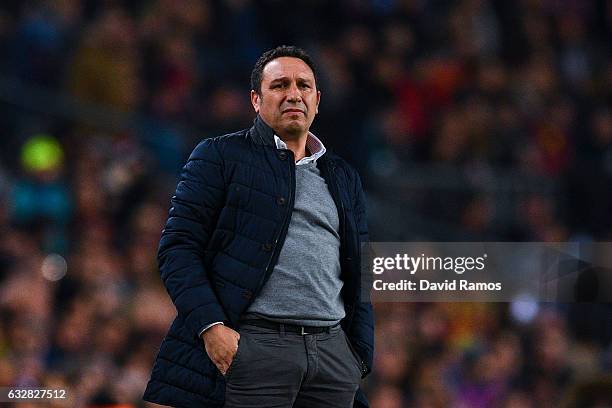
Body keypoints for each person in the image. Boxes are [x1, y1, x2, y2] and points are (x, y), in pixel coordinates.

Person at [143, 45, 374, 408]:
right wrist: (211, 327)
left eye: (303, 85)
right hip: (256, 346)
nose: (293, 94)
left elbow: (360, 269)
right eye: (279, 85)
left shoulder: (343, 176)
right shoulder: (219, 156)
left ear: (317, 99)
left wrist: (358, 355)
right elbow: (178, 248)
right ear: (255, 99)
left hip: (332, 355)